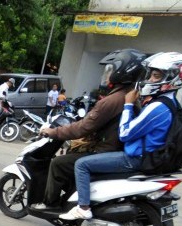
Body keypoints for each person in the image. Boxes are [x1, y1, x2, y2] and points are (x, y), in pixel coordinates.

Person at [59, 52, 182, 221]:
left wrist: (128, 104)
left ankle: (83, 207)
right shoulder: (171, 102)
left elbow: (125, 134)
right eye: (151, 75)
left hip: (135, 158)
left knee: (81, 164)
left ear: (172, 78)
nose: (150, 79)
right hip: (148, 155)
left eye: (156, 76)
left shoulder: (158, 106)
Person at [34, 49, 147, 209]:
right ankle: (70, 199)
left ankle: (51, 204)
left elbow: (83, 127)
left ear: (121, 73)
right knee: (73, 154)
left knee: (59, 163)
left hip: (105, 151)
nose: (106, 74)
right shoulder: (130, 96)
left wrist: (54, 132)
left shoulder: (112, 100)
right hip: (115, 149)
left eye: (110, 70)